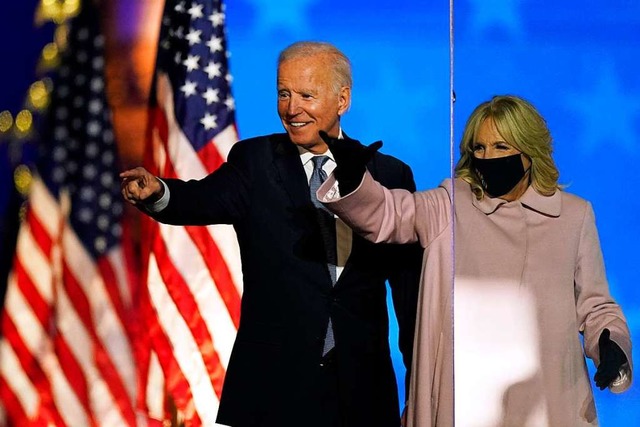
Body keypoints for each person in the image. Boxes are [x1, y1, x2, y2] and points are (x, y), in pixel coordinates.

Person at [120, 41, 422, 427]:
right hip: (273, 390)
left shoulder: (389, 175)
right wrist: (159, 193)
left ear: (342, 99)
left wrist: (418, 386)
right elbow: (198, 199)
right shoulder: (255, 162)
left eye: (306, 95)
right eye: (284, 93)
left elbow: (409, 297)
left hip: (361, 392)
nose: (291, 109)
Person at [318, 95, 633, 427]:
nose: (488, 157)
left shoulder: (572, 216)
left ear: (529, 150)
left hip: (545, 401)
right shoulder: (449, 205)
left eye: (500, 146)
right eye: (479, 148)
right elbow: (388, 214)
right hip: (464, 400)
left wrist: (610, 346)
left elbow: (596, 306)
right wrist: (355, 180)